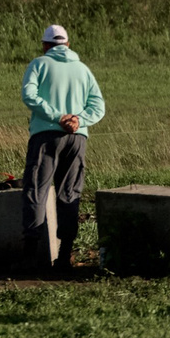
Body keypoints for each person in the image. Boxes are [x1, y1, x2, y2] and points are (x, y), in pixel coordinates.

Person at [21, 23, 105, 270]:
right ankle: (65, 255)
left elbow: (29, 95)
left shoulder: (39, 64)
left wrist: (57, 117)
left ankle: (30, 258)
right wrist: (78, 120)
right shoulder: (83, 70)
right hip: (77, 137)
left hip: (46, 136)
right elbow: (98, 106)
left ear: (45, 46)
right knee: (69, 193)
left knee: (37, 190)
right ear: (68, 45)